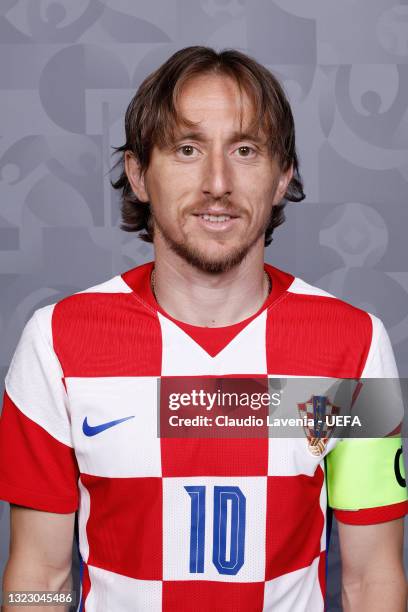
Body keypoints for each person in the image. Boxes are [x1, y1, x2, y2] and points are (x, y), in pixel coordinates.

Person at [0, 46, 407, 612]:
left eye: (245, 150)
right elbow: (37, 580)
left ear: (282, 174)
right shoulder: (58, 342)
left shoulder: (356, 344)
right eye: (187, 149)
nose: (218, 181)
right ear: (139, 174)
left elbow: (373, 580)